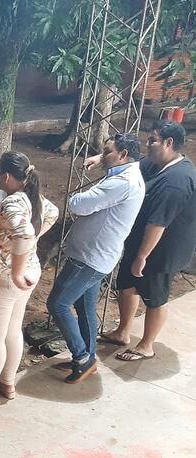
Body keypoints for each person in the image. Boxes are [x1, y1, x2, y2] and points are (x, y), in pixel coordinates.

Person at [93, 121, 196, 362]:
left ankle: (147, 344)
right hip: (139, 240)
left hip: (161, 249)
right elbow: (133, 162)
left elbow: (158, 223)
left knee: (155, 295)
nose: (147, 145)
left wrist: (142, 256)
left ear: (169, 143)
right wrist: (101, 158)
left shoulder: (177, 181)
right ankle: (122, 332)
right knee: (126, 284)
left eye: (153, 140)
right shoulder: (155, 164)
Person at [47, 134, 145, 383]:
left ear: (123, 155)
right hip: (99, 255)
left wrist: (77, 198)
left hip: (89, 258)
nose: (104, 155)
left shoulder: (121, 183)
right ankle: (87, 357)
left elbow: (78, 204)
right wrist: (102, 157)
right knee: (83, 306)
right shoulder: (130, 173)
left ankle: (82, 358)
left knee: (57, 304)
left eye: (108, 151)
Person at [0, 151, 59, 407]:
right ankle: (7, 382)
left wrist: (16, 267)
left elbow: (26, 233)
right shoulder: (35, 198)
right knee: (12, 328)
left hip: (7, 276)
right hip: (30, 271)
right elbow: (52, 213)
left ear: (6, 176)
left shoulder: (13, 202)